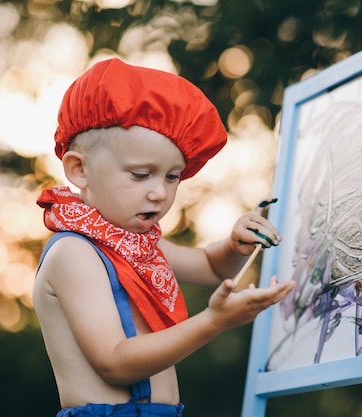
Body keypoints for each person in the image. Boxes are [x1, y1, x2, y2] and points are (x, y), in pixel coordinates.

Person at [32, 58, 295, 417]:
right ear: (80, 169)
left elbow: (210, 266)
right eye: (141, 175)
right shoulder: (75, 252)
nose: (160, 192)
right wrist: (213, 321)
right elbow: (113, 361)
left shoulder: (138, 246)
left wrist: (235, 245)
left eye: (172, 177)